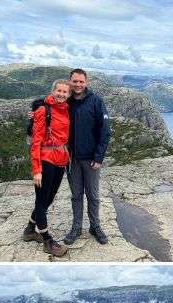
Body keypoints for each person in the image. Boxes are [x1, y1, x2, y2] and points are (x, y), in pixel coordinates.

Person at [22, 79, 71, 257]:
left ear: (69, 95)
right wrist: (37, 170)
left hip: (60, 160)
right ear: (53, 91)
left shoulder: (66, 109)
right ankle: (47, 240)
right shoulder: (44, 110)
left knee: (48, 200)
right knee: (42, 202)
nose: (61, 94)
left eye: (65, 92)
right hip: (46, 159)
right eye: (59, 91)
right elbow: (36, 141)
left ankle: (29, 230)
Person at [63, 68, 111, 245]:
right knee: (76, 195)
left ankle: (95, 226)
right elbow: (47, 110)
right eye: (74, 81)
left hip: (91, 159)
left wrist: (98, 158)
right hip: (72, 159)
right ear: (70, 81)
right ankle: (76, 227)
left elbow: (105, 131)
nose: (78, 84)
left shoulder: (96, 101)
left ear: (86, 82)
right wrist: (35, 111)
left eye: (81, 81)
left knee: (93, 195)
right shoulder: (65, 102)